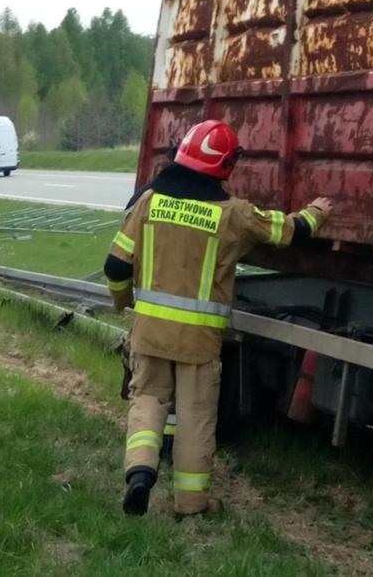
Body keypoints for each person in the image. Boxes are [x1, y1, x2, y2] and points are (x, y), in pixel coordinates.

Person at [104, 119, 331, 517]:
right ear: (226, 166)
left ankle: (140, 473)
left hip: (150, 334)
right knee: (194, 419)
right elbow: (287, 231)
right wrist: (316, 213)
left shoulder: (148, 202)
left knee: (148, 402)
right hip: (199, 343)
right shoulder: (234, 215)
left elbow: (115, 266)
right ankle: (191, 506)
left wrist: (123, 301)